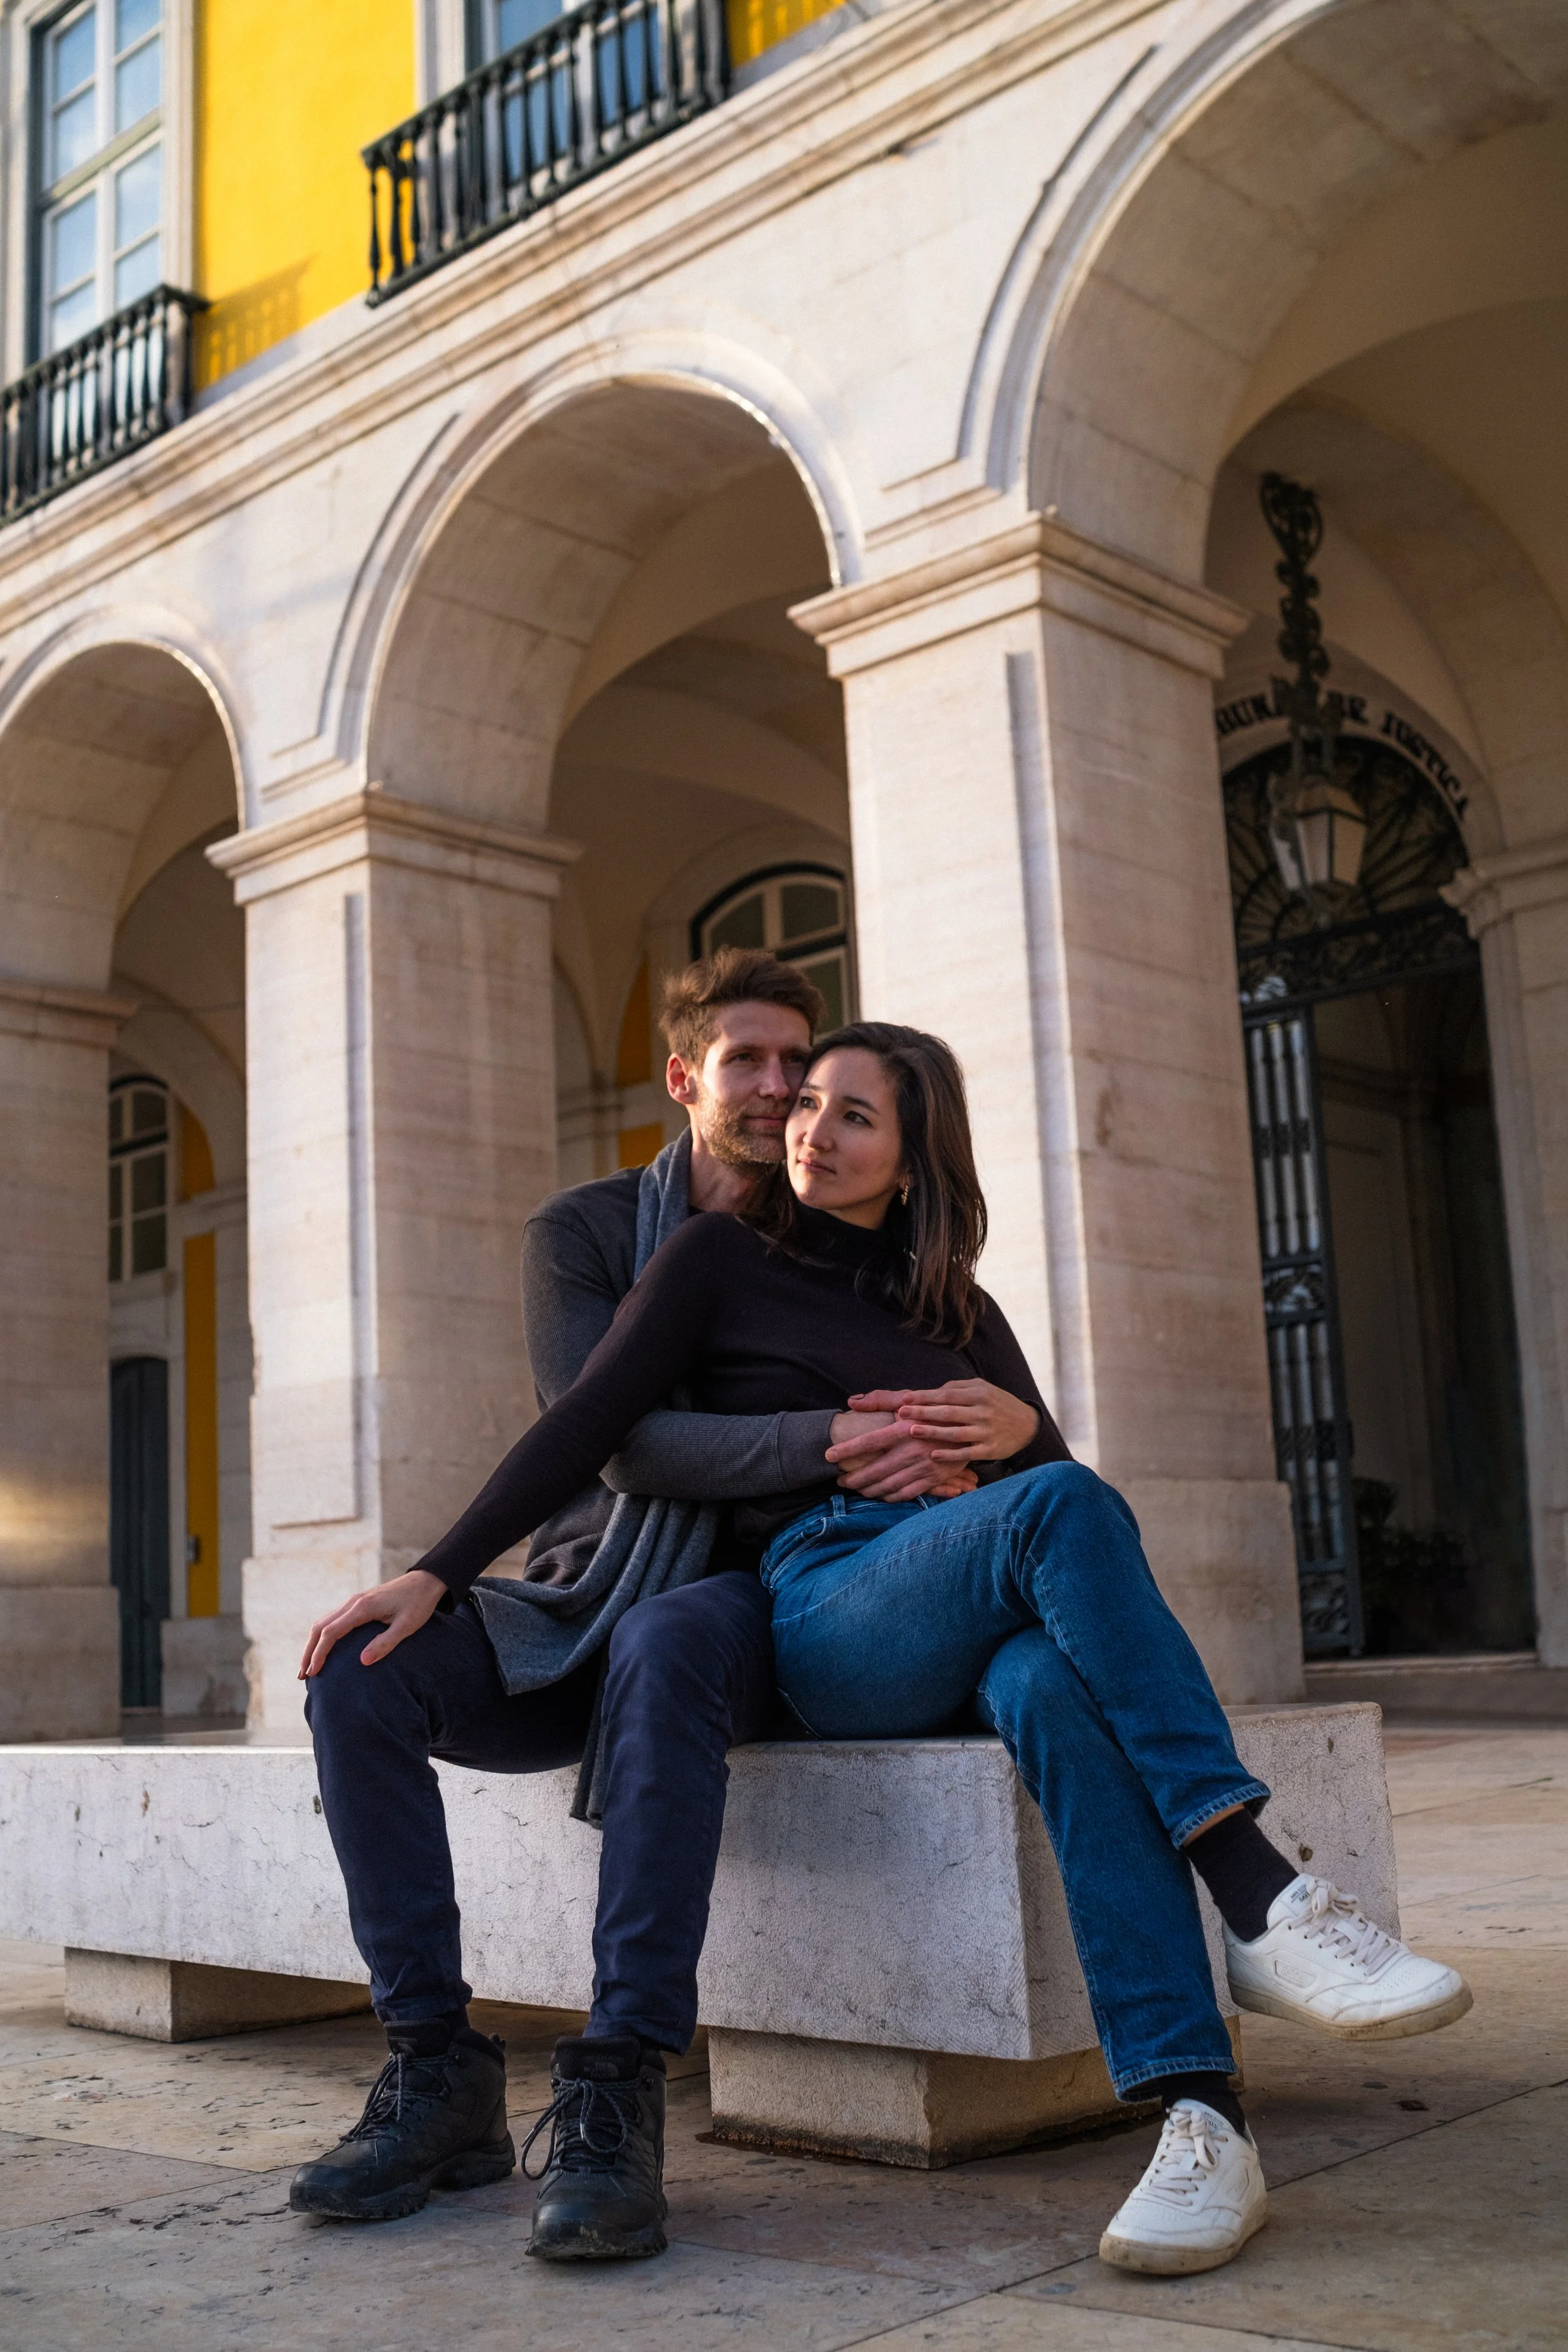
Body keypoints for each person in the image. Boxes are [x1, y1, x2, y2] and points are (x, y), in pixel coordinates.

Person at [297, 1015, 1472, 2276]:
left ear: (912, 1160)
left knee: (1047, 1680)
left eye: (851, 1114)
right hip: (823, 1602)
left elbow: (1072, 1523)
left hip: (960, 1608)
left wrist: (1021, 1428)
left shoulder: (959, 1309)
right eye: (805, 1102)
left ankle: (1202, 2120)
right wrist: (438, 1568)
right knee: (1056, 1523)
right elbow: (594, 1418)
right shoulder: (716, 1257)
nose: (807, 1126)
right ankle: (1254, 1891)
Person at [289, 951, 963, 2246]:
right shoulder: (585, 1234)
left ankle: (617, 2083)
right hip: (576, 1596)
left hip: (765, 1611)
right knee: (357, 1674)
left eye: (797, 1065)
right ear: (682, 1079)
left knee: (668, 1635)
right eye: (747, 1062)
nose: (780, 1091)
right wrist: (435, 1575)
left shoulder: (838, 1240)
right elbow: (616, 1440)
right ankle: (437, 2070)